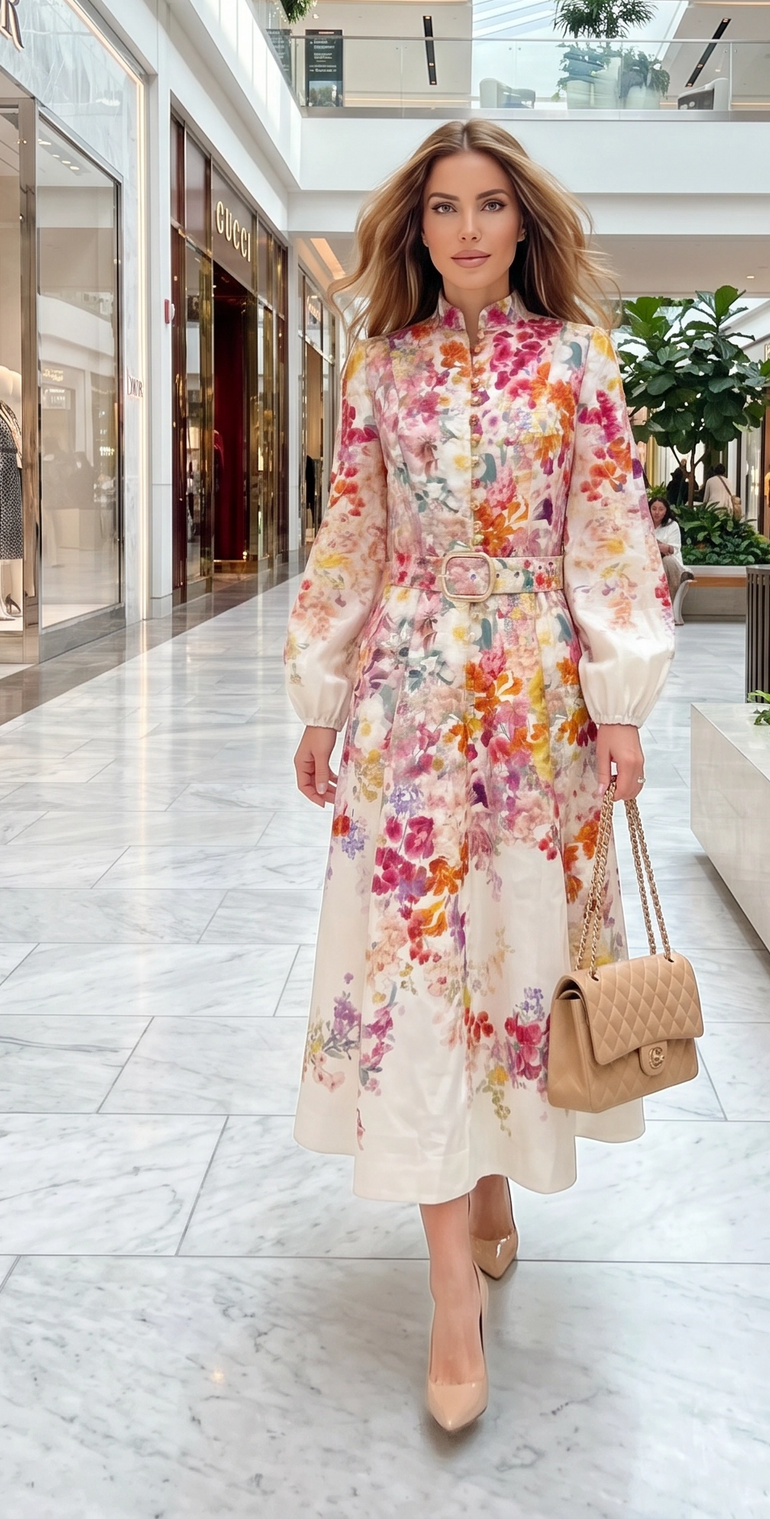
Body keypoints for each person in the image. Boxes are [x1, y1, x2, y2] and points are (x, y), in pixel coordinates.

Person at [284, 119, 674, 1433]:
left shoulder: (576, 366)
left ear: (521, 224)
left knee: (513, 966)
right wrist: (320, 694)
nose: (463, 227)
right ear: (417, 227)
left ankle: (493, 1177)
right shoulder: (378, 374)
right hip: (408, 710)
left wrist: (619, 701)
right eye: (442, 205)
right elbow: (351, 536)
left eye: (488, 204)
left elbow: (614, 535)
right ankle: (451, 1292)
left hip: (534, 709)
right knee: (420, 978)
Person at [650, 495, 684, 599]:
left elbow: (673, 549)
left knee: (667, 561)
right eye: (654, 509)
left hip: (670, 564)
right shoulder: (643, 524)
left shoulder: (672, 525)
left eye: (661, 509)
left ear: (666, 511)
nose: (657, 512)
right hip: (650, 562)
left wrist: (664, 547)